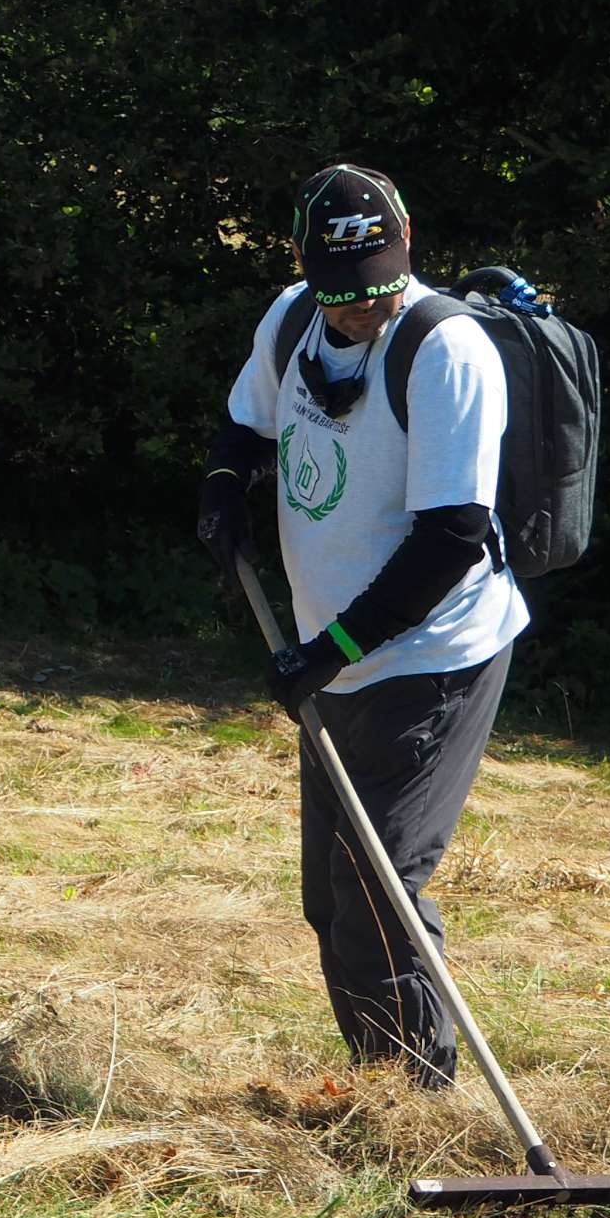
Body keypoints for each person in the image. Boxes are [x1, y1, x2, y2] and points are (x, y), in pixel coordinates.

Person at [193, 163, 528, 1087]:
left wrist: (331, 650)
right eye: (340, 299)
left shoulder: (448, 351)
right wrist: (225, 492)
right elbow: (246, 422)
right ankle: (382, 1087)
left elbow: (452, 537)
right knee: (327, 898)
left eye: (373, 295)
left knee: (376, 893)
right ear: (304, 268)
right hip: (328, 653)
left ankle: (421, 1105)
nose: (356, 315)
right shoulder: (295, 315)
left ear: (407, 246)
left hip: (431, 652)